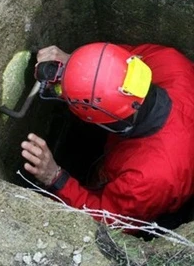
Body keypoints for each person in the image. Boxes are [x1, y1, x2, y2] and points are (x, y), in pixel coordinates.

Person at [22, 42, 194, 228]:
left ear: (109, 122)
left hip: (154, 198)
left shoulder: (147, 177)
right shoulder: (170, 62)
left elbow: (112, 220)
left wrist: (54, 178)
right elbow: (113, 64)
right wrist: (75, 64)